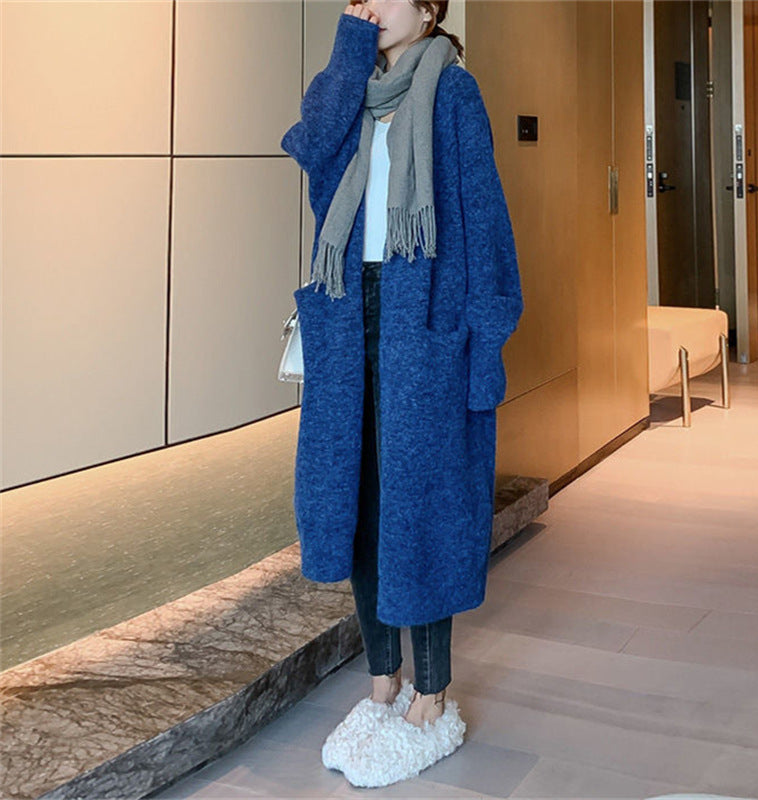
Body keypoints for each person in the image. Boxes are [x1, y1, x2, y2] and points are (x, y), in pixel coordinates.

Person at [281, 0, 524, 787]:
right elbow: (311, 147)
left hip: (424, 320)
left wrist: (484, 343)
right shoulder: (350, 88)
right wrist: (347, 51)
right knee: (358, 499)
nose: (373, 7)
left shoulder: (453, 91)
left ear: (429, 9)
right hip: (348, 311)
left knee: (420, 507)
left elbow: (485, 226)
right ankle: (381, 680)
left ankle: (433, 691)